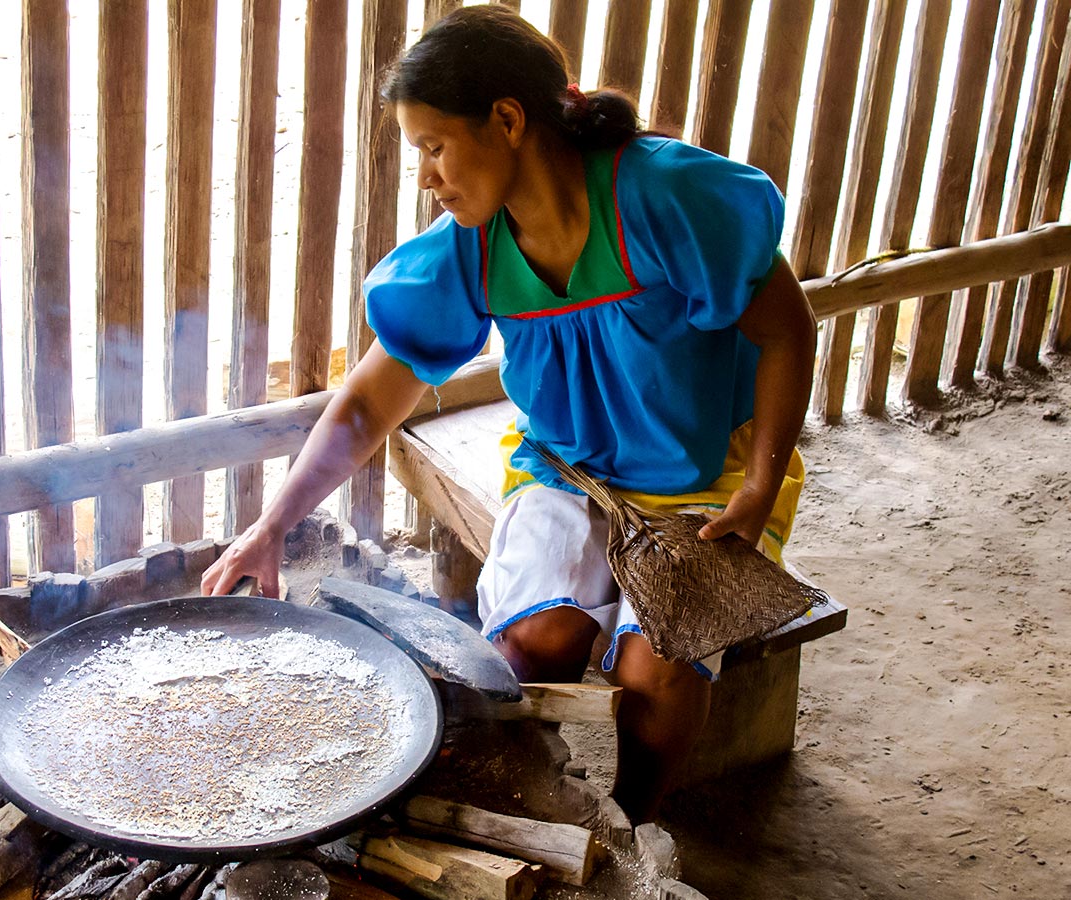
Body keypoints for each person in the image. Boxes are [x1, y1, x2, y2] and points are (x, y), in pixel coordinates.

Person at [202, 5, 817, 823]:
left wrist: (762, 484)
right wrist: (273, 523)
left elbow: (788, 329)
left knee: (656, 670)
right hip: (568, 469)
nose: (426, 175)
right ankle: (532, 811)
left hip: (711, 477)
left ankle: (626, 826)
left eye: (433, 146)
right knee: (532, 645)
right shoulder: (475, 244)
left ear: (507, 120)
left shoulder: (665, 198)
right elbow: (369, 400)